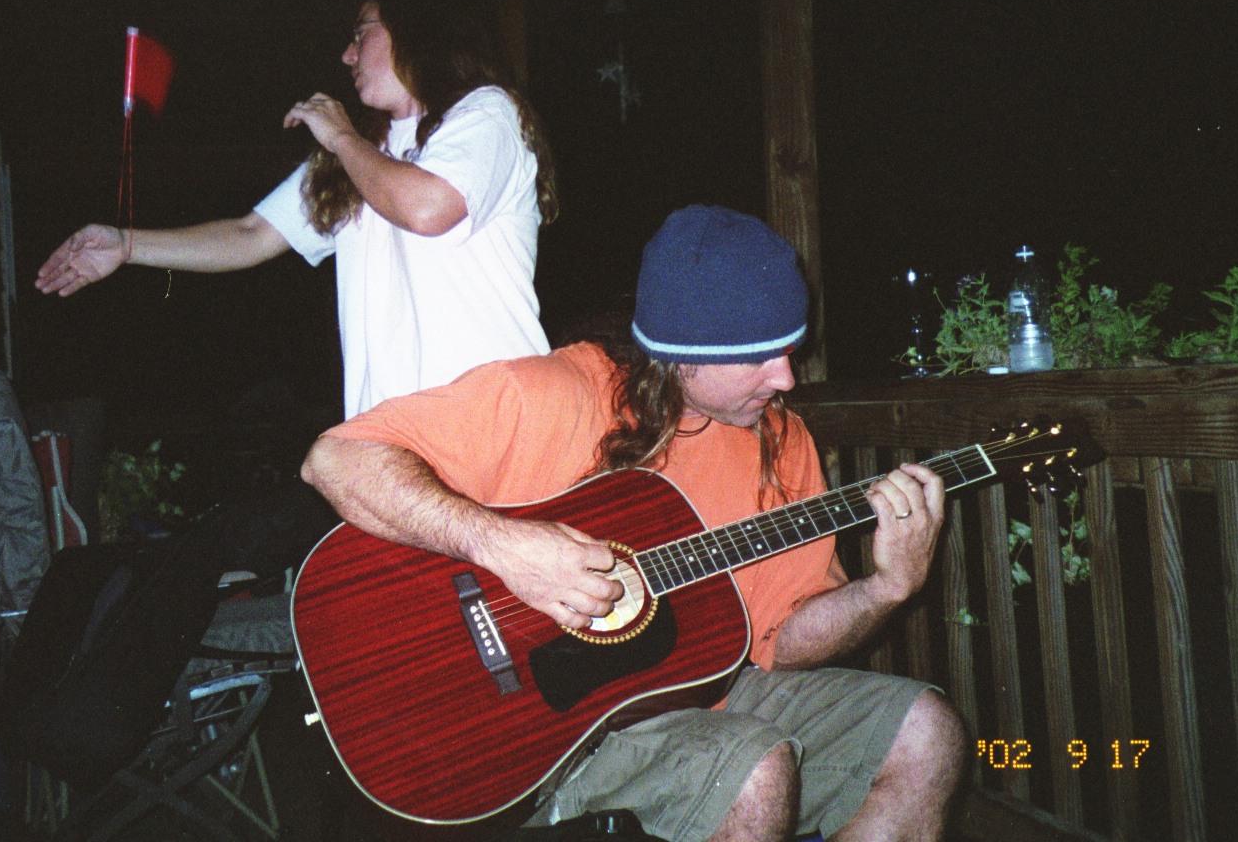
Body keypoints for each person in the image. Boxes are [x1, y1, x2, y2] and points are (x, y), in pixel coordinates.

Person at [301, 205, 967, 841]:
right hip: (542, 733)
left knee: (926, 732)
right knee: (753, 771)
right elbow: (336, 460)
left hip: (701, 694)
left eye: (789, 350)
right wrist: (504, 546)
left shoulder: (782, 445)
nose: (787, 378)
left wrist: (885, 589)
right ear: (681, 352)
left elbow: (782, 641)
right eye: (759, 355)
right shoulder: (557, 396)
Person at [34, 0, 558, 418]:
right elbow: (250, 235)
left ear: (416, 31)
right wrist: (125, 245)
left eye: (360, 35)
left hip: (494, 418)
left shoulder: (487, 114)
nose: (347, 55)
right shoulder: (358, 156)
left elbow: (428, 208)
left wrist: (340, 139)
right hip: (400, 441)